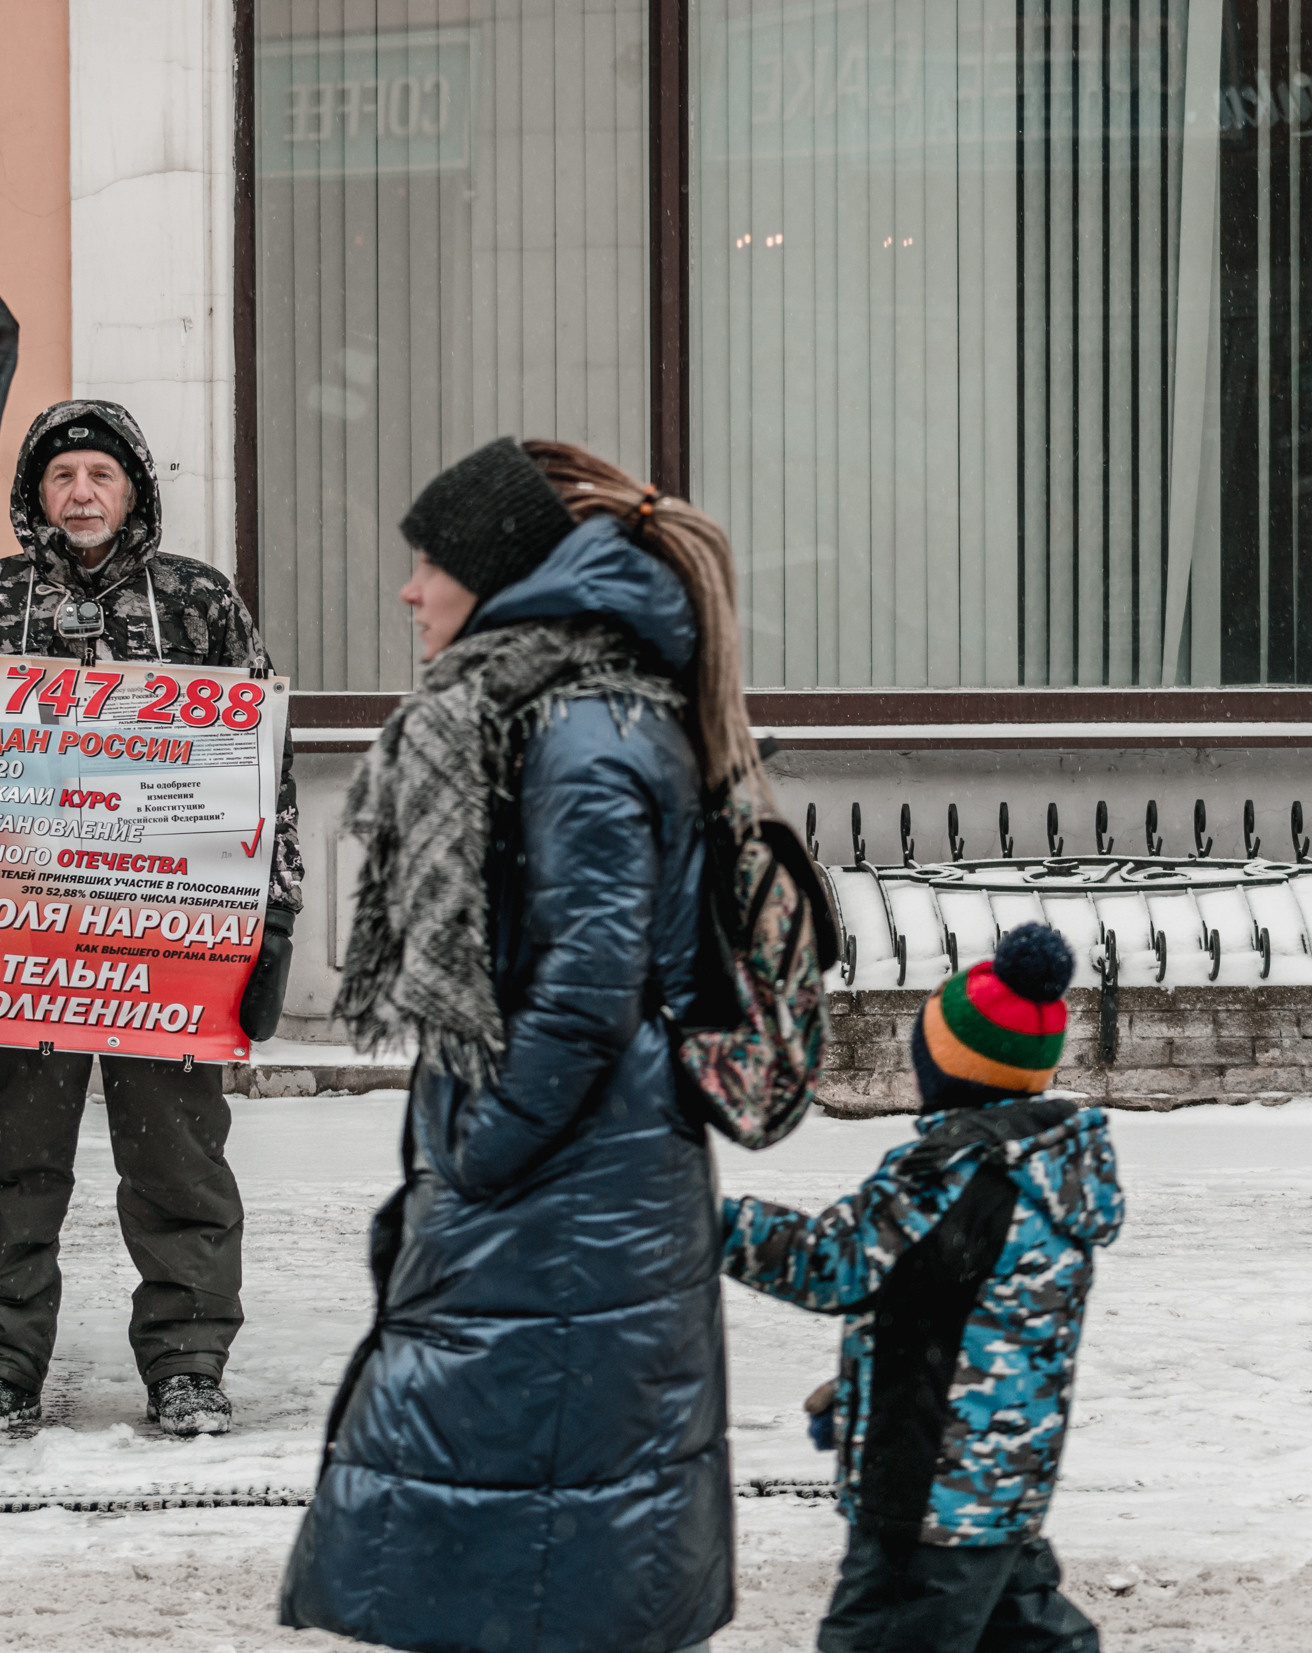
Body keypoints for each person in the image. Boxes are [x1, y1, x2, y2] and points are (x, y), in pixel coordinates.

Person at [279, 437, 765, 1653]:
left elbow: (590, 980)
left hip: (563, 1191)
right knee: (529, 1543)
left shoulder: (582, 727)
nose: (408, 591)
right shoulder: (560, 705)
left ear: (496, 575)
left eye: (428, 562)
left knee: (528, 1546)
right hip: (579, 1187)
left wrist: (483, 1157)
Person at [0, 399, 303, 1439]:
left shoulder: (200, 603)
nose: (81, 494)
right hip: (17, 949)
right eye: (61, 478)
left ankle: (185, 1364)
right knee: (8, 1161)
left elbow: (266, 771)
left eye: (100, 476)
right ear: (34, 496)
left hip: (163, 947)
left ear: (134, 490)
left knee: (177, 1162)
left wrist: (275, 919)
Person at [720, 924, 1125, 1653]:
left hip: (931, 1501)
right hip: (1001, 1489)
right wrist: (868, 1391)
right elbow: (978, 1314)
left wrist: (703, 1220)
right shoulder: (1054, 1171)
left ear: (946, 1067)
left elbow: (832, 1261)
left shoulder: (946, 1177)